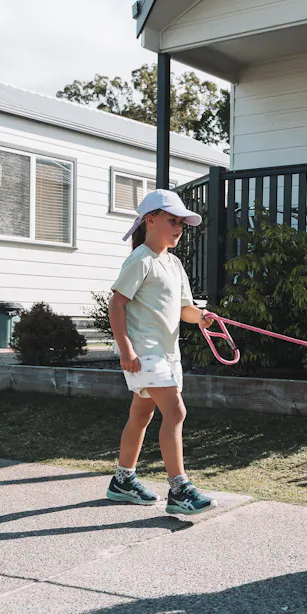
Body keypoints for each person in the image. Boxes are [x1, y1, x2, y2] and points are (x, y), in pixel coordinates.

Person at [106, 188, 216, 516]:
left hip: (168, 355)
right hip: (145, 353)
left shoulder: (173, 262)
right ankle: (180, 489)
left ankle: (122, 481)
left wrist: (203, 318)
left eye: (181, 222)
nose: (179, 227)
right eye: (172, 220)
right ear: (150, 221)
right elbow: (117, 304)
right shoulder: (140, 259)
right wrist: (126, 349)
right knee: (176, 412)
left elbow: (185, 309)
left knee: (142, 414)